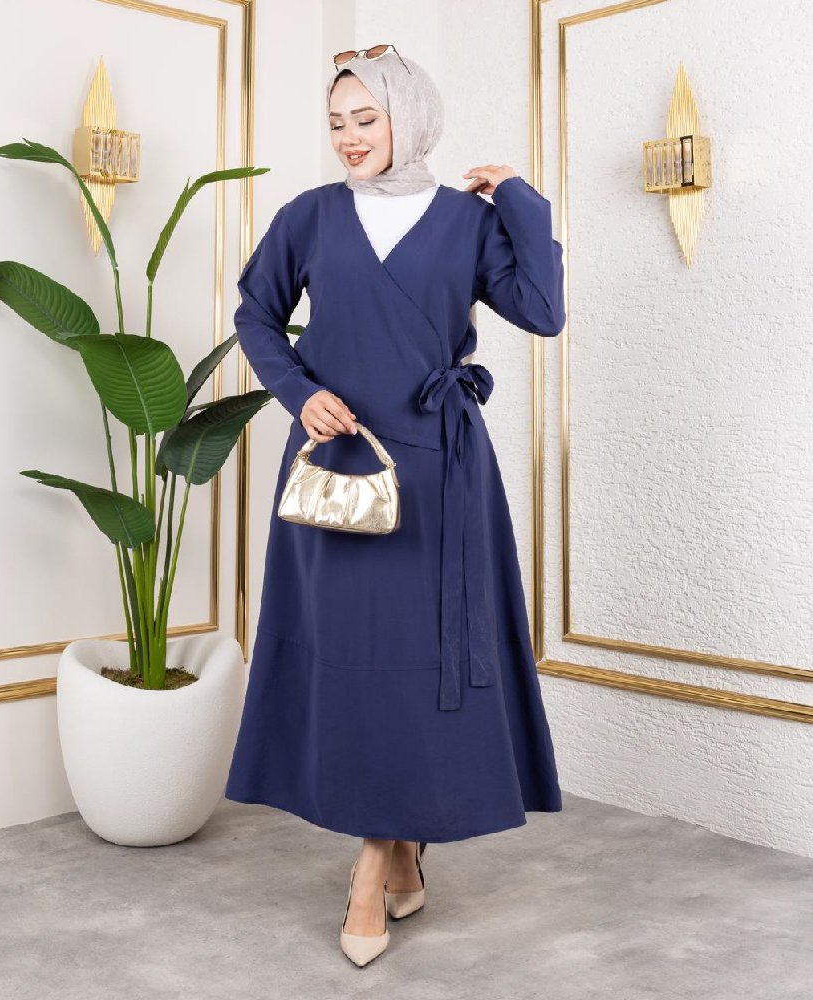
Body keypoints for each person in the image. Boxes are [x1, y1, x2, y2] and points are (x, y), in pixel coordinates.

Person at [225, 45, 566, 967]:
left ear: (408, 117)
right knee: (359, 664)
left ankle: (374, 868)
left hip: (441, 475)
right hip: (339, 471)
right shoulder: (309, 216)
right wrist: (299, 391)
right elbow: (255, 312)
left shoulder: (468, 220)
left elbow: (542, 311)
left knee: (423, 663)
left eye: (366, 119)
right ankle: (400, 846)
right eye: (337, 122)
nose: (349, 138)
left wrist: (520, 200)